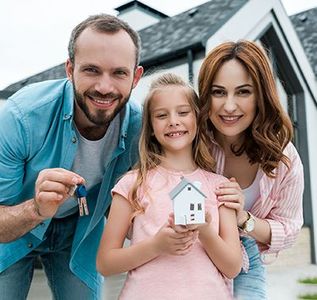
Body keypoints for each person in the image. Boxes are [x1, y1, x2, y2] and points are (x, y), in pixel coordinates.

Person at [0, 14, 143, 299]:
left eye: (119, 73)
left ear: (136, 77)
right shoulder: (20, 117)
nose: (105, 87)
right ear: (70, 69)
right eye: (91, 70)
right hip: (17, 227)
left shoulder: (141, 128)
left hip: (81, 232)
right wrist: (37, 210)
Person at [96, 73, 242, 300]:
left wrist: (204, 230)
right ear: (151, 127)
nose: (173, 121)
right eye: (162, 115)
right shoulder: (132, 185)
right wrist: (157, 246)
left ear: (197, 119)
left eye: (183, 112)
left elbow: (233, 267)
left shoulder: (220, 187)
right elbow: (106, 263)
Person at [198, 40, 304, 299]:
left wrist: (244, 219)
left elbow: (288, 229)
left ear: (261, 96)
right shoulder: (192, 142)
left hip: (247, 262)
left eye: (243, 92)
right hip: (195, 255)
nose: (229, 106)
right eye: (219, 92)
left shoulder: (283, 157)